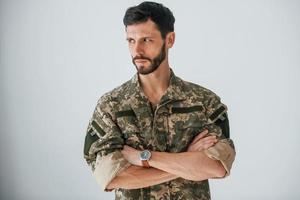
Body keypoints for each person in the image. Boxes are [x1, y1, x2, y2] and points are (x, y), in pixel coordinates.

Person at [83, 1, 236, 199]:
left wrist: (143, 158)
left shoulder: (204, 102)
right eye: (130, 40)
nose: (137, 50)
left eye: (146, 40)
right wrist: (186, 161)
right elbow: (110, 177)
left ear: (169, 39)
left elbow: (217, 167)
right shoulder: (111, 105)